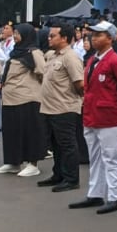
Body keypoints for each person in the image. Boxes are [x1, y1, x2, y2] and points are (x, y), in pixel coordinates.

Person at [74, 21, 117, 213]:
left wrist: (116, 102)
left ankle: (114, 196)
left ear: (110, 38)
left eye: (98, 35)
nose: (93, 38)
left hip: (109, 116)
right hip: (92, 114)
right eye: (92, 35)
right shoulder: (93, 60)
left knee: (112, 157)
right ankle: (95, 193)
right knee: (95, 157)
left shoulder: (116, 61)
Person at [38, 24, 85, 192]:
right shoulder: (52, 56)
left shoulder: (71, 57)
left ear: (64, 38)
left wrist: (78, 101)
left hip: (64, 108)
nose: (49, 38)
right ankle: (58, 174)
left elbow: (80, 84)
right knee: (55, 145)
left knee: (67, 144)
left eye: (53, 36)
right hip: (49, 108)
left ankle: (72, 179)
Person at [0, 23, 46, 177]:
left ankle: (32, 163)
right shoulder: (16, 52)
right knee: (11, 132)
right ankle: (13, 162)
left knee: (29, 132)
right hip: (10, 99)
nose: (15, 35)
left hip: (27, 99)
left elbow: (43, 73)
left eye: (17, 33)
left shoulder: (34, 52)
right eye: (14, 33)